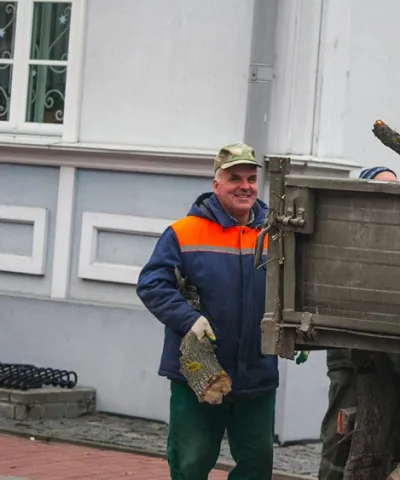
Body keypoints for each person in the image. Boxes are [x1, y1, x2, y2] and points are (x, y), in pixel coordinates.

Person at [136, 142, 278, 480]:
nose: (245, 186)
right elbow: (151, 285)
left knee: (257, 464)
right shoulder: (184, 232)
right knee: (191, 462)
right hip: (199, 371)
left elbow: (296, 285)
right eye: (234, 179)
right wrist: (190, 319)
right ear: (216, 185)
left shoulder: (275, 233)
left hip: (256, 371)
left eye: (250, 178)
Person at [318, 165, 400, 480]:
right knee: (342, 441)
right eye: (383, 186)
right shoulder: (347, 240)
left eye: (396, 186)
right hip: (353, 361)